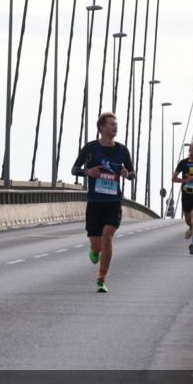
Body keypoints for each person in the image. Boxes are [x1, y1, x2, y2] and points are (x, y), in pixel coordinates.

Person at [71, 112, 135, 293]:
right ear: (101, 128)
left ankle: (101, 278)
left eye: (116, 124)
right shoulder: (90, 148)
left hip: (113, 202)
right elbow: (74, 169)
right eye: (112, 124)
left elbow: (132, 173)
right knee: (97, 245)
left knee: (108, 235)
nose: (116, 127)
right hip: (94, 202)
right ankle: (94, 250)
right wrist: (88, 172)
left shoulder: (122, 150)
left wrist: (127, 174)